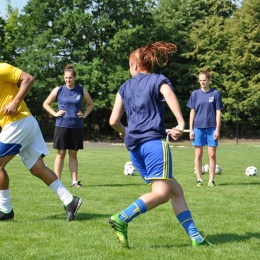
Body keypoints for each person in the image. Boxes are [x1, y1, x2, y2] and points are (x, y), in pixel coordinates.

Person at [109, 41, 212, 248]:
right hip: (154, 145)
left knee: (176, 191)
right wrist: (181, 122)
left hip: (134, 150)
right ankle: (122, 218)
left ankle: (195, 237)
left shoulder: (124, 87)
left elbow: (113, 121)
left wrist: (125, 132)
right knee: (162, 193)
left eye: (130, 65)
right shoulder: (158, 80)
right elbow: (169, 94)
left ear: (135, 66)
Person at [0, 62, 82, 221]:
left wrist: (15, 102)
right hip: (22, 124)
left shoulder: (2, 68)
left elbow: (28, 79)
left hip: (19, 123)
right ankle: (70, 200)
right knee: (37, 168)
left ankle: (5, 210)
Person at [43, 64, 94, 188]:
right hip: (62, 126)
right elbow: (46, 103)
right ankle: (57, 182)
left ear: (75, 77)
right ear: (63, 78)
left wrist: (85, 115)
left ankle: (74, 182)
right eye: (66, 78)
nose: (68, 80)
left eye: (70, 78)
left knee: (73, 154)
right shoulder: (59, 89)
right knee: (61, 154)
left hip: (76, 126)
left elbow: (91, 104)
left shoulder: (81, 90)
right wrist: (55, 113)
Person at [187, 68, 223, 187]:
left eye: (204, 80)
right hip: (198, 127)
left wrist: (217, 129)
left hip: (212, 127)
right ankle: (199, 179)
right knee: (198, 155)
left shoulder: (215, 94)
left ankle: (211, 180)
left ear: (209, 80)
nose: (202, 82)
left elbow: (218, 112)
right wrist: (191, 129)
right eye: (200, 80)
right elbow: (192, 112)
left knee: (212, 154)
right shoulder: (195, 94)